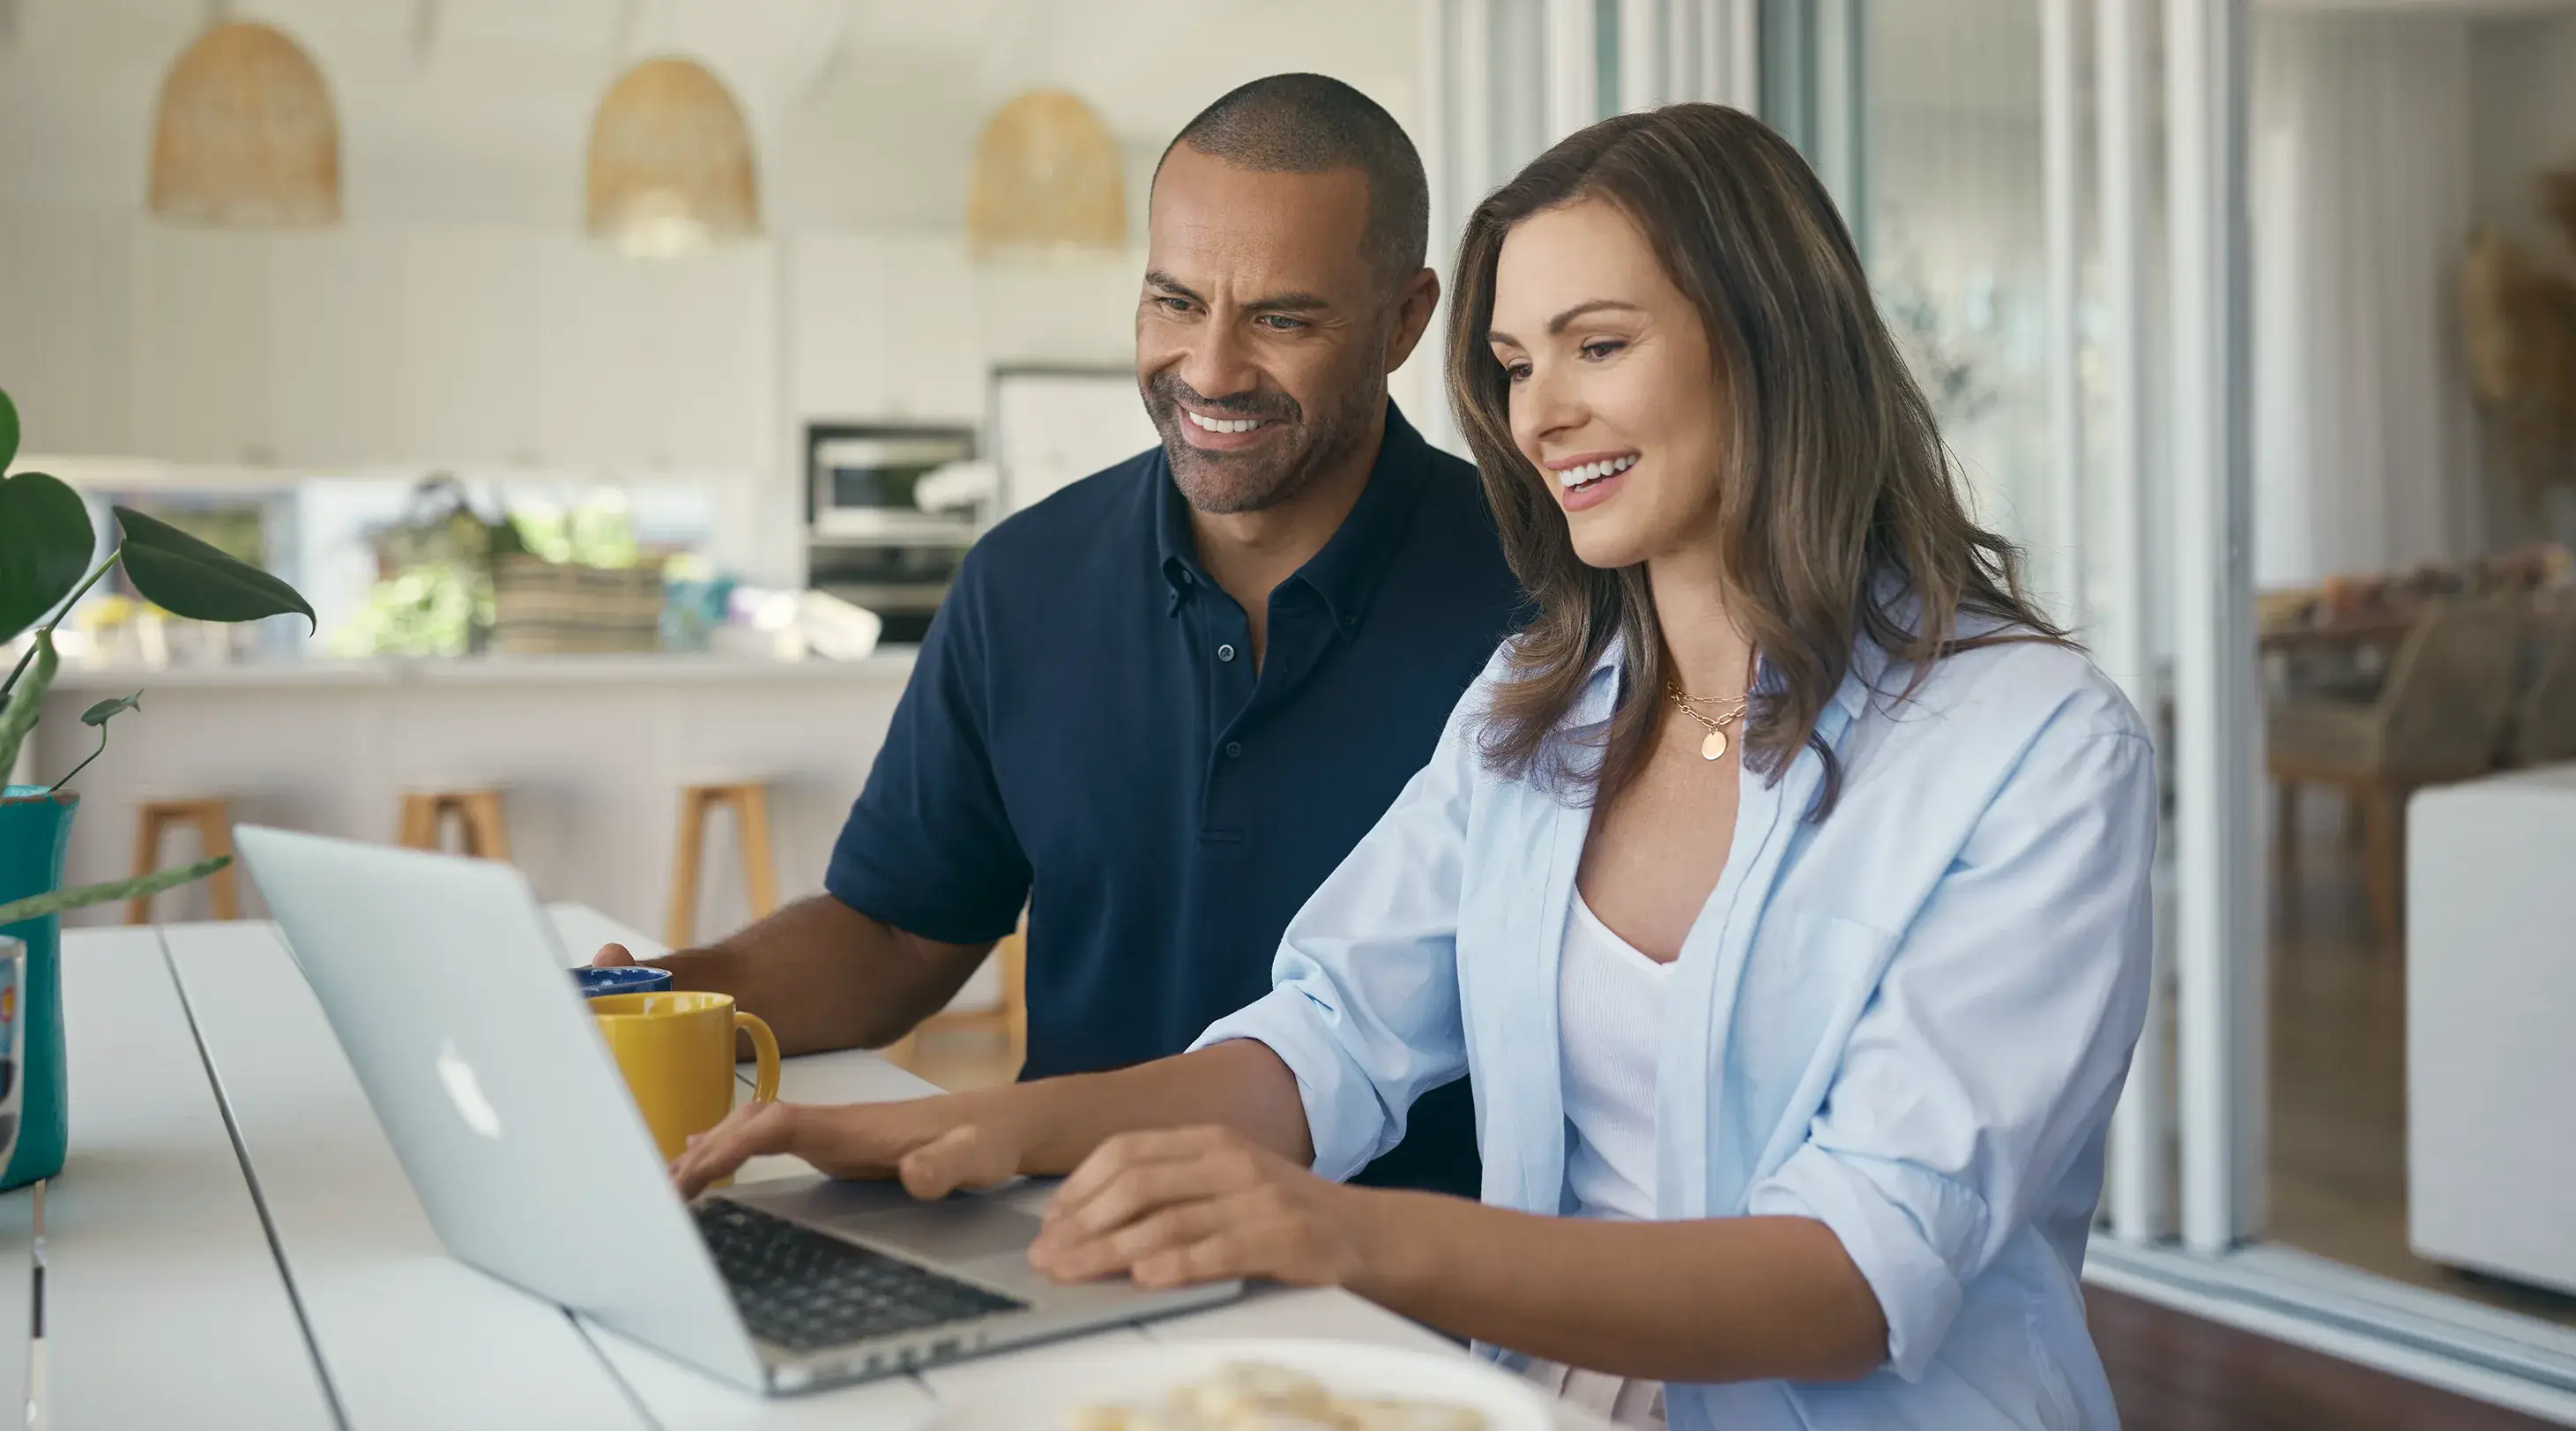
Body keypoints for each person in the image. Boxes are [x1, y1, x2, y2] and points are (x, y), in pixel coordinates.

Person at [669, 103, 2156, 1431]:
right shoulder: (1544, 699)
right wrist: (965, 1128)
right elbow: (1324, 1036)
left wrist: (1338, 1231)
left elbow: (1852, 1272)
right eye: (1514, 364)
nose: (1539, 413)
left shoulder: (2030, 747)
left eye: (1596, 345)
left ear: (1770, 341)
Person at [594, 74, 1519, 1200]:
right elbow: (899, 936)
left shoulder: (1547, 606)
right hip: (1059, 1232)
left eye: (1281, 319)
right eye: (1174, 301)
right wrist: (659, 996)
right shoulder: (1024, 581)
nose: (1211, 369)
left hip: (1407, 1270)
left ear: (1405, 321)